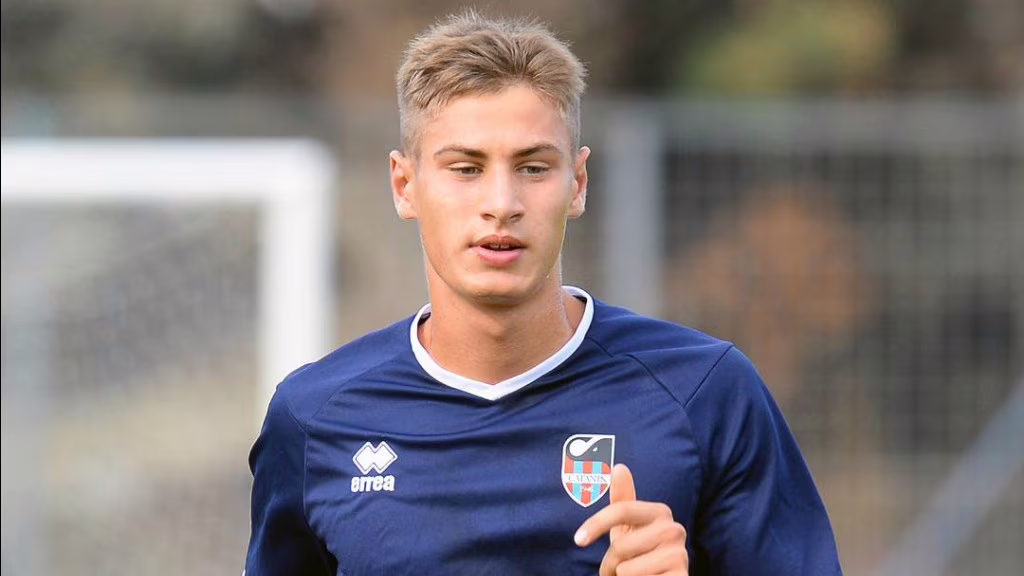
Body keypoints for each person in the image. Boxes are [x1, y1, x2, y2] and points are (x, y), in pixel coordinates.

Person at [245, 11, 843, 576]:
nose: (501, 204)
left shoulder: (705, 393)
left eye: (533, 167)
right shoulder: (314, 418)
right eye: (466, 168)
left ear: (577, 184)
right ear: (405, 185)